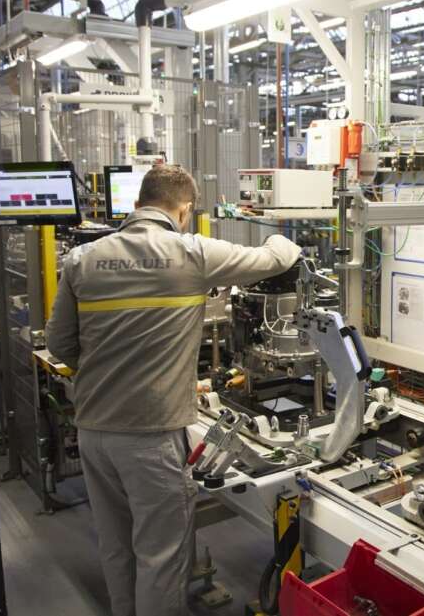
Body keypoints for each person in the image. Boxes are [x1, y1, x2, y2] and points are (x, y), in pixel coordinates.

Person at [46, 164, 301, 616]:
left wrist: (108, 372)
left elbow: (60, 344)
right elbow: (274, 258)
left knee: (116, 544)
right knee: (160, 555)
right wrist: (282, 234)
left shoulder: (82, 259)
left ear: (137, 203)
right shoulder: (193, 253)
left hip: (93, 430)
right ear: (184, 210)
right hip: (152, 434)